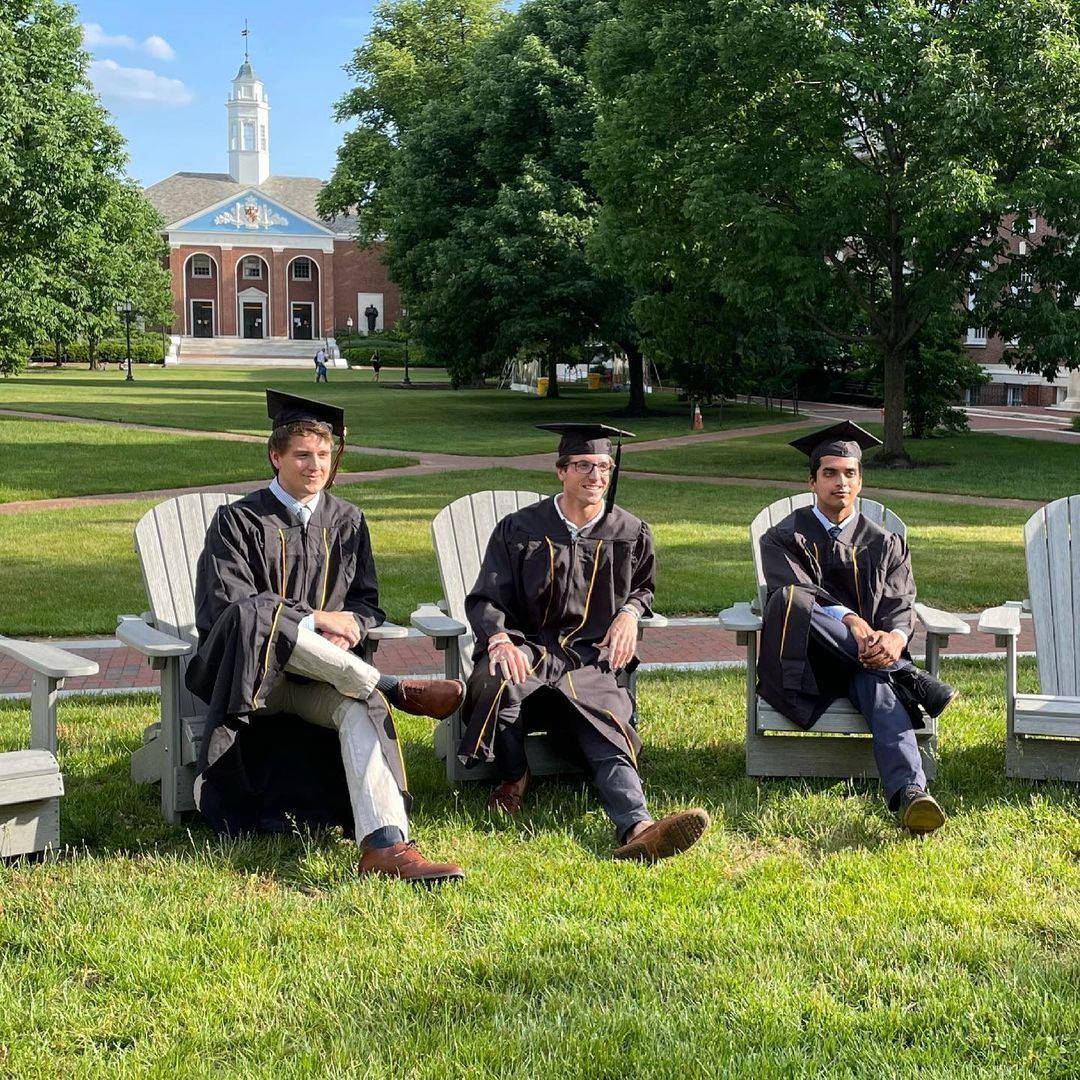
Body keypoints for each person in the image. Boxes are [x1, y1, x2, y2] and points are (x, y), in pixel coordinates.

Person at [185, 390, 467, 883]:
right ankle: (390, 685)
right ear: (275, 457)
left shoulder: (348, 521)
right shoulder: (238, 521)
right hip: (253, 682)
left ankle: (386, 845)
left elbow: (366, 603)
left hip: (322, 680)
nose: (315, 465)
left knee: (359, 708)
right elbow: (229, 610)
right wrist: (317, 619)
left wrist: (354, 625)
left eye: (323, 454)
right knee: (255, 615)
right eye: (301, 455)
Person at [458, 422, 709, 863]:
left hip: (591, 659)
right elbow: (486, 595)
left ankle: (640, 827)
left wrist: (630, 613)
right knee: (499, 679)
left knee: (605, 723)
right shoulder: (520, 528)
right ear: (560, 471)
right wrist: (499, 639)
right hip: (530, 650)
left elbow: (644, 587)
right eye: (584, 466)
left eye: (604, 467)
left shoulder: (628, 531)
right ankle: (514, 777)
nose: (595, 476)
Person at [756, 420, 957, 834]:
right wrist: (853, 621)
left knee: (881, 692)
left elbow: (903, 603)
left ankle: (910, 796)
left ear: (861, 481)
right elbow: (794, 595)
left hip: (867, 663)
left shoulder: (885, 542)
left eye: (849, 474)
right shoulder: (783, 537)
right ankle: (906, 674)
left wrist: (893, 639)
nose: (840, 483)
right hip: (806, 661)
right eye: (829, 473)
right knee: (792, 602)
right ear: (811, 481)